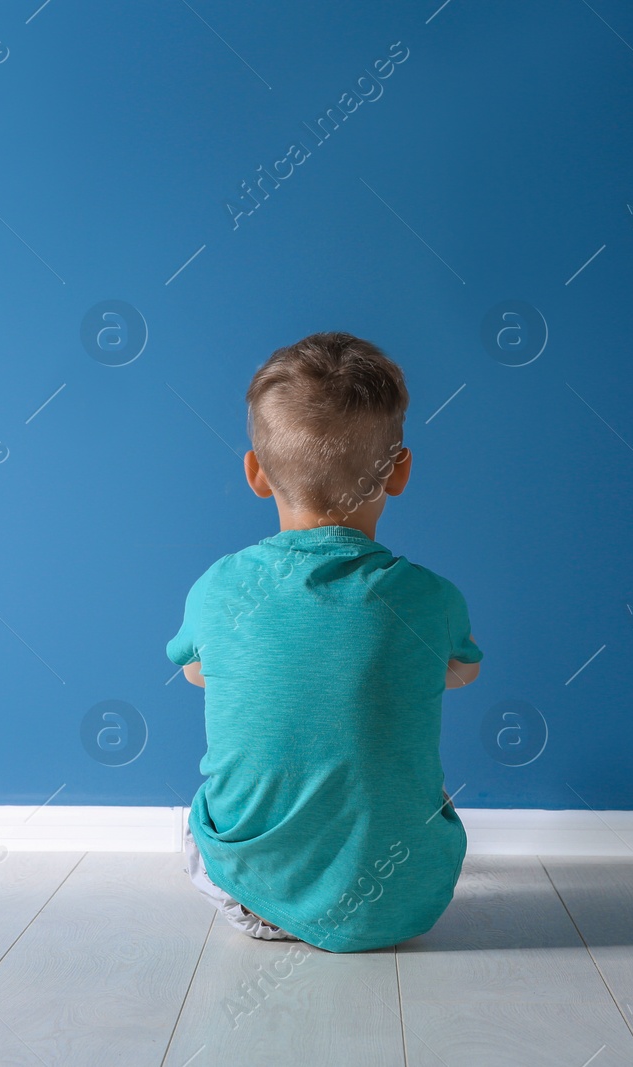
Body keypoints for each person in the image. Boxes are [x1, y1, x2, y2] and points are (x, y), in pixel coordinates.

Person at [166, 331, 482, 952]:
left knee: (205, 802)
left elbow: (196, 673)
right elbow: (462, 671)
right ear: (399, 471)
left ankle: (273, 893)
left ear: (256, 473)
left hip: (247, 896)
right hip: (405, 902)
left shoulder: (220, 588)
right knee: (407, 778)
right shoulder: (429, 597)